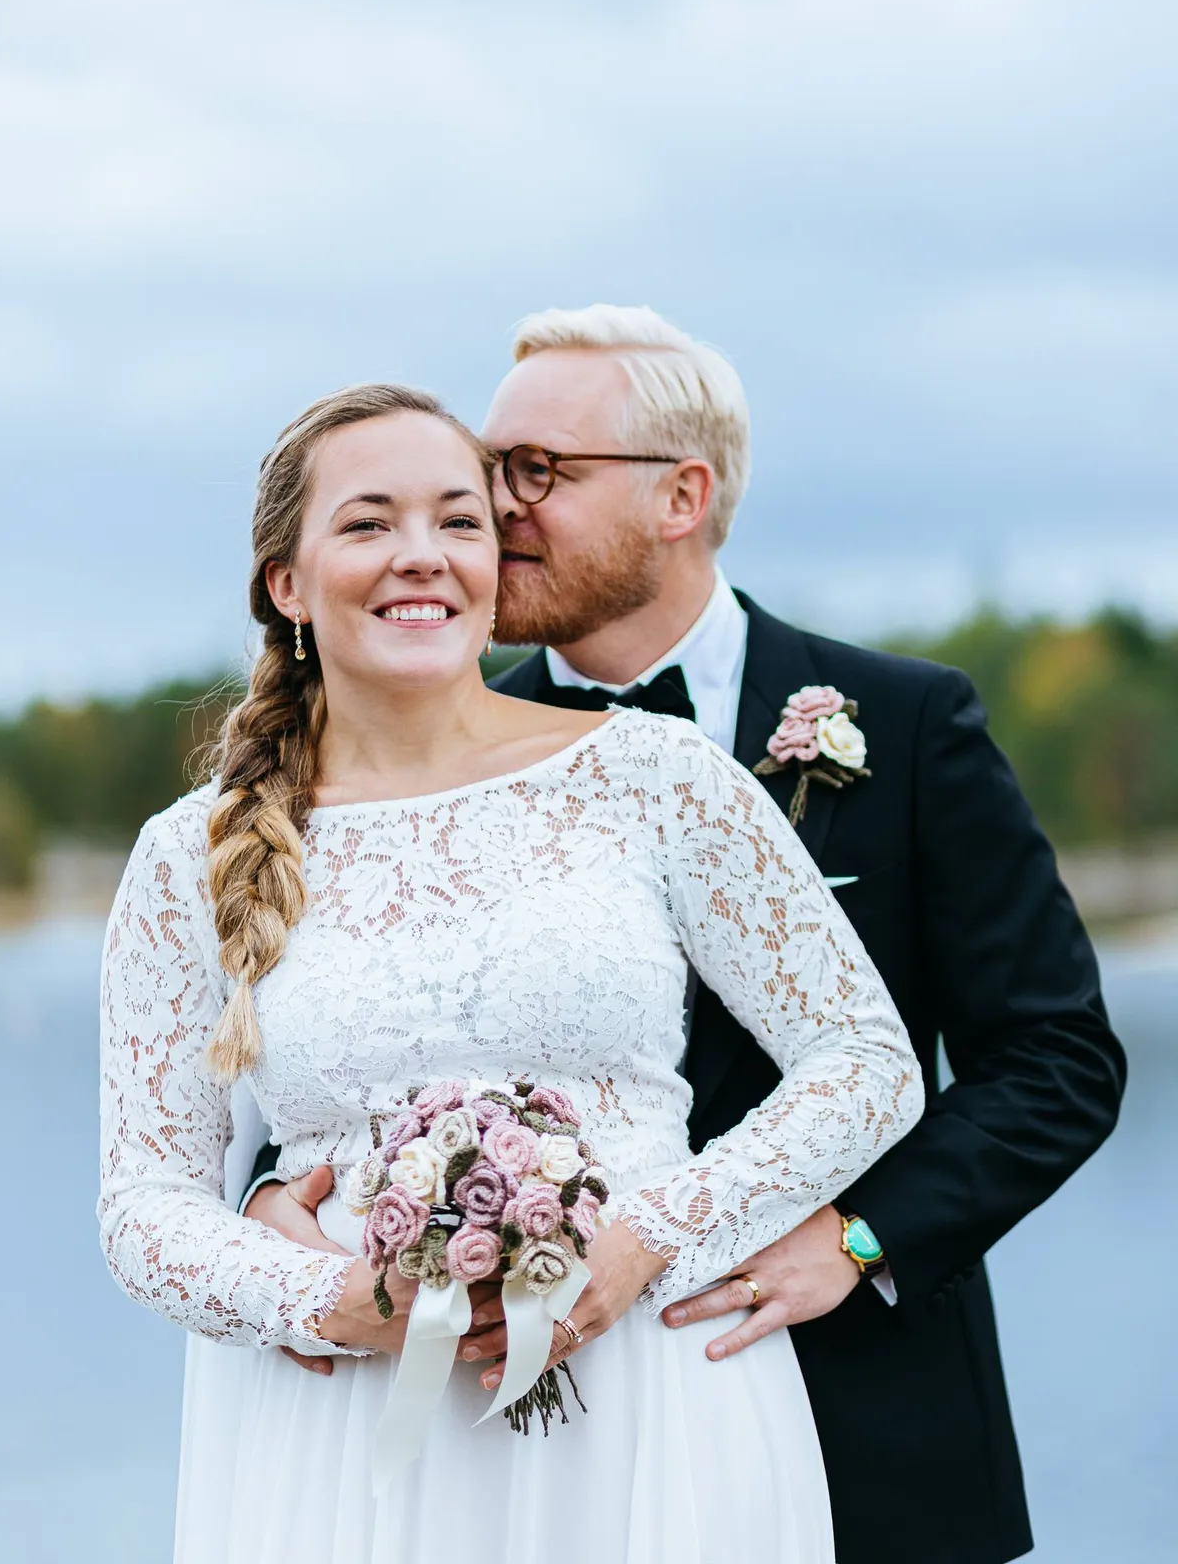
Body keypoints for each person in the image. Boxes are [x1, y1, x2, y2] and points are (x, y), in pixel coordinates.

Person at [244, 309, 1126, 1564]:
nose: (495, 510)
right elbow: (354, 1022)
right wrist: (275, 1202)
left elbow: (1057, 1059)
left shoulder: (912, 724)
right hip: (534, 1438)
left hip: (859, 1392)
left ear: (682, 494)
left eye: (535, 472)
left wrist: (862, 1236)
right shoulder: (435, 752)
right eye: (492, 472)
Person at [98, 381, 923, 1564]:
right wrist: (327, 1305)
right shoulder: (194, 851)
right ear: (286, 582)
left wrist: (649, 1234)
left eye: (458, 520)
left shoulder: (659, 777)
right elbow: (145, 1202)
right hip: (348, 1425)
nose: (419, 558)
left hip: (646, 1390)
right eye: (369, 523)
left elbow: (866, 1064)